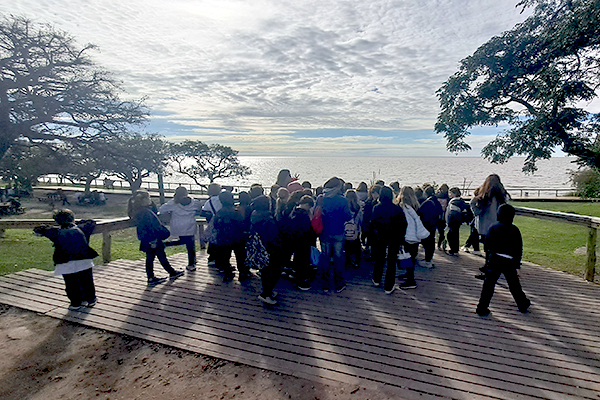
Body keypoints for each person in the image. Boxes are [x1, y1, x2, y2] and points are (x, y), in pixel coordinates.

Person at [34, 209, 98, 311]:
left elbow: (39, 229)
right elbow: (91, 222)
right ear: (73, 219)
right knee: (87, 281)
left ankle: (75, 303)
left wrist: (52, 226)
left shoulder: (55, 232)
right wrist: (78, 222)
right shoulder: (83, 228)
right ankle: (90, 299)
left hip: (65, 262)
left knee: (71, 283)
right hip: (84, 259)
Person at [476, 204, 530, 316]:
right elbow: (518, 250)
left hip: (494, 259)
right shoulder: (514, 230)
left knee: (488, 285)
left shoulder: (493, 227)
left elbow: (487, 245)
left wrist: (487, 261)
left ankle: (482, 307)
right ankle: (522, 304)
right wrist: (517, 266)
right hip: (509, 261)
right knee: (514, 285)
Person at [130, 190, 184, 285]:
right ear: (144, 200)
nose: (150, 199)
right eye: (149, 198)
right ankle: (164, 274)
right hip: (152, 239)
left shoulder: (140, 210)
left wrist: (152, 204)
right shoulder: (145, 213)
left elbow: (155, 211)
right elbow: (149, 227)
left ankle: (158, 275)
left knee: (155, 257)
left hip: (148, 239)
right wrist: (153, 241)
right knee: (155, 257)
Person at [471, 174, 510, 278]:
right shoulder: (502, 196)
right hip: (499, 226)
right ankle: (490, 267)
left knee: (488, 249)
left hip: (485, 227)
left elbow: (474, 206)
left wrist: (476, 210)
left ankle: (489, 271)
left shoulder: (484, 196)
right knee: (493, 249)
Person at [317, 177, 352, 293]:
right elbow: (347, 216)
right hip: (338, 232)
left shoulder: (320, 198)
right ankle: (338, 283)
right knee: (338, 257)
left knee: (325, 257)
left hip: (324, 232)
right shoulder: (342, 200)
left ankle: (325, 283)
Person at [370, 186, 407, 294]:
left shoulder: (376, 208)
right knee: (391, 262)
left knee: (379, 259)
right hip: (394, 237)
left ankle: (376, 279)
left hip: (380, 237)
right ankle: (388, 286)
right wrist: (401, 238)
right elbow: (403, 225)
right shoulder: (397, 209)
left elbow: (372, 223)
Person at [159, 187, 203, 271]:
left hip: (178, 225)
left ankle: (167, 244)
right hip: (190, 225)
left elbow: (161, 210)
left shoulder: (173, 203)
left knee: (183, 241)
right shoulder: (194, 202)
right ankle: (191, 263)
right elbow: (200, 208)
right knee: (190, 244)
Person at [250, 195, 283, 305]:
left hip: (259, 248)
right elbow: (273, 237)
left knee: (265, 271)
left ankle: (267, 291)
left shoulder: (254, 215)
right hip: (270, 249)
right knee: (275, 271)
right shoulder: (268, 220)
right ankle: (266, 294)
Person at [213, 191, 251, 282]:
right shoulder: (235, 211)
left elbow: (215, 225)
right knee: (240, 256)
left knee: (225, 257)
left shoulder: (219, 212)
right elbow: (241, 224)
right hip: (237, 238)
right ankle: (242, 273)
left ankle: (227, 273)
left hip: (223, 238)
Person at [397, 186, 427, 289]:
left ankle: (410, 280)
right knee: (412, 257)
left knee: (407, 256)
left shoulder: (403, 207)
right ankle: (408, 275)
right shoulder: (416, 206)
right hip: (415, 235)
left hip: (407, 235)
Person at [289, 195, 317, 290]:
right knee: (303, 261)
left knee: (297, 259)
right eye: (309, 206)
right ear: (306, 204)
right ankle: (301, 282)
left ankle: (295, 275)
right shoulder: (303, 215)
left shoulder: (294, 211)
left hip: (295, 240)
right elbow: (307, 229)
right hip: (303, 242)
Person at [417, 185, 443, 268]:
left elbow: (421, 213)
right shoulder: (436, 201)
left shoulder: (428, 202)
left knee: (427, 243)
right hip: (433, 224)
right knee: (431, 242)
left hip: (427, 225)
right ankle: (429, 259)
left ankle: (427, 260)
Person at [201, 183, 223, 266]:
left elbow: (203, 212)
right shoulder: (221, 200)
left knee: (213, 240)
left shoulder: (209, 201)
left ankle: (212, 258)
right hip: (222, 222)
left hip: (213, 223)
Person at [445, 187, 470, 256]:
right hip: (457, 222)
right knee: (455, 235)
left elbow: (453, 213)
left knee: (451, 236)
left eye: (450, 193)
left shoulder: (453, 203)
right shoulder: (461, 201)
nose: (449, 194)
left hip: (452, 222)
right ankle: (455, 249)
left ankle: (453, 250)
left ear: (454, 194)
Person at [344, 189, 362, 269]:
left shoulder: (344, 207)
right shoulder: (358, 207)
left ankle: (348, 260)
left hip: (345, 229)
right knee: (357, 245)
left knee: (346, 246)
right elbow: (361, 219)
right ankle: (357, 261)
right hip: (355, 229)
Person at [436, 184, 450, 251]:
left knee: (440, 231)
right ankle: (442, 243)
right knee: (443, 231)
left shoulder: (436, 196)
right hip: (445, 215)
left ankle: (439, 244)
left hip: (438, 215)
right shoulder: (447, 197)